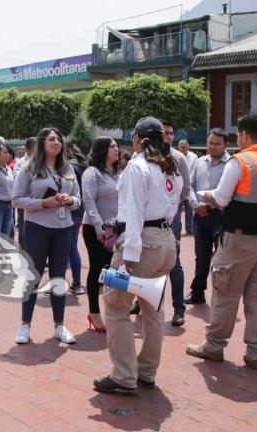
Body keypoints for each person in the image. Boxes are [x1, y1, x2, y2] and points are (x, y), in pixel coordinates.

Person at [187, 114, 257, 369]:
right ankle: (256, 352)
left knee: (226, 294)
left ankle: (214, 345)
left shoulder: (241, 162)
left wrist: (208, 195)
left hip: (239, 240)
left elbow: (222, 199)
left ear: (245, 135)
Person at [93, 117, 181, 394]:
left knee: (116, 306)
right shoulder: (171, 168)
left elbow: (133, 213)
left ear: (138, 139)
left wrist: (128, 257)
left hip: (143, 243)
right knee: (153, 310)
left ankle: (123, 375)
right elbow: (170, 209)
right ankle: (146, 371)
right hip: (166, 242)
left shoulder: (137, 167)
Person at [12, 127, 82, 345]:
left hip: (64, 229)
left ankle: (59, 326)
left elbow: (79, 199)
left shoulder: (68, 169)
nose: (57, 142)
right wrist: (43, 203)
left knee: (58, 277)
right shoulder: (29, 168)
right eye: (52, 139)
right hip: (37, 228)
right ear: (42, 143)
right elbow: (16, 200)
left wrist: (70, 201)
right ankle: (25, 325)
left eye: (59, 139)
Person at [185, 128, 231, 305]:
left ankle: (221, 295)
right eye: (210, 143)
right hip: (200, 215)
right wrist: (195, 205)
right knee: (201, 256)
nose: (213, 146)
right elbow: (189, 186)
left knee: (222, 257)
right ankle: (197, 292)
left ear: (225, 145)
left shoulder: (232, 164)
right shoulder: (199, 162)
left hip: (221, 216)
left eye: (217, 143)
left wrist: (214, 204)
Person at [82, 136, 121, 332]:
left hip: (116, 230)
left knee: (113, 270)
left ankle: (112, 309)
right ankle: (94, 312)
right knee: (97, 269)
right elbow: (88, 201)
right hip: (95, 230)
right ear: (102, 150)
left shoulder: (117, 173)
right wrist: (99, 227)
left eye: (116, 145)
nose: (116, 149)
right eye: (112, 146)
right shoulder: (92, 172)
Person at [162, 121, 191, 326]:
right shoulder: (142, 157)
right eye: (165, 133)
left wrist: (172, 207)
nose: (169, 136)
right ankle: (141, 300)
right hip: (147, 219)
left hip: (171, 220)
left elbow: (186, 189)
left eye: (171, 133)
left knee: (174, 263)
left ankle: (179, 309)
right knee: (145, 260)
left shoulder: (179, 158)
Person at [66, 143, 87, 295]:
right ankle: (77, 282)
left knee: (68, 247)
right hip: (80, 209)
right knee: (72, 247)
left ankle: (76, 282)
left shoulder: (70, 168)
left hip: (70, 209)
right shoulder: (83, 166)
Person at [14, 137, 37, 249]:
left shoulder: (41, 162)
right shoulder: (21, 163)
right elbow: (18, 181)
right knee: (24, 225)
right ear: (31, 148)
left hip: (39, 201)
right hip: (25, 200)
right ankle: (24, 251)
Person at [178, 139, 198, 235]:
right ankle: (176, 228)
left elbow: (195, 169)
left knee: (189, 208)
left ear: (188, 147)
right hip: (178, 186)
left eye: (184, 146)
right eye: (180, 146)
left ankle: (189, 228)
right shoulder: (176, 156)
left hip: (188, 185)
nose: (182, 148)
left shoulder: (193, 157)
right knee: (176, 208)